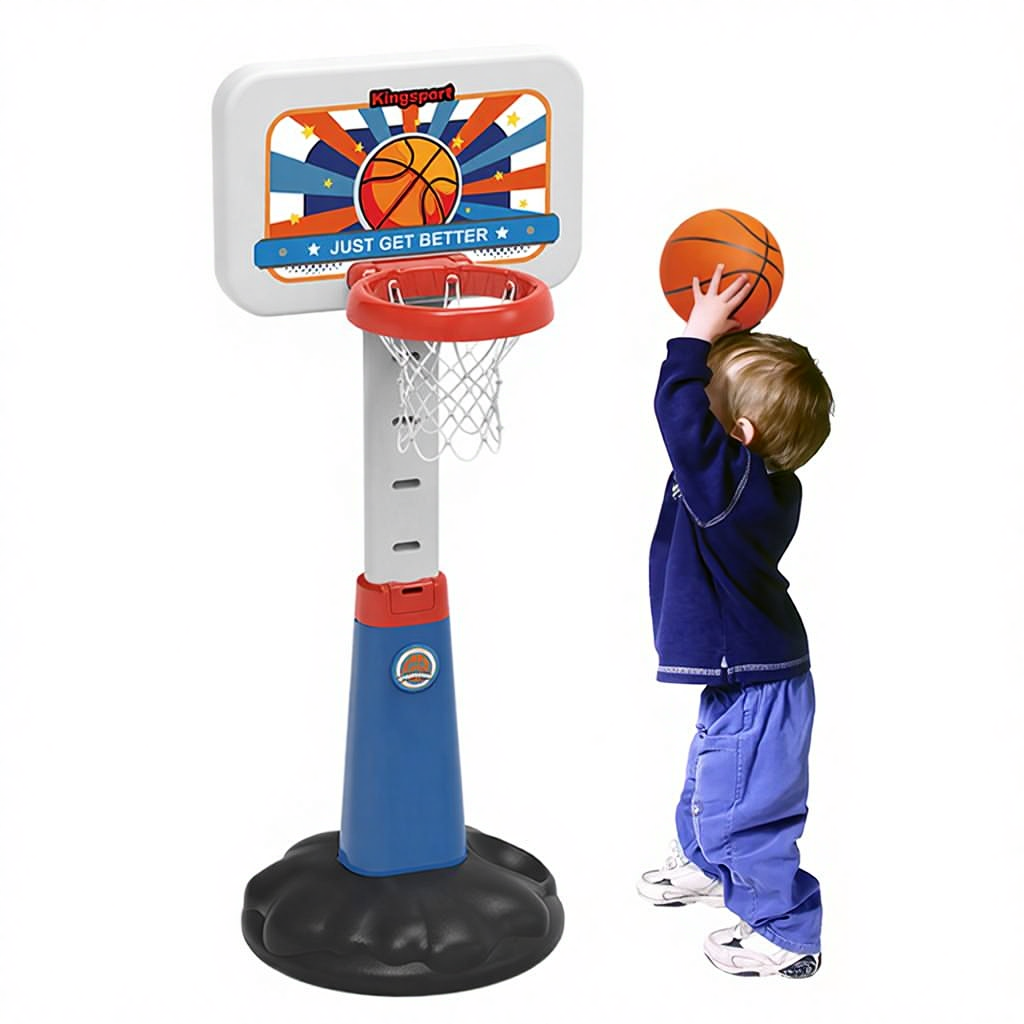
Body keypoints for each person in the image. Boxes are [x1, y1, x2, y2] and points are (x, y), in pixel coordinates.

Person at [638, 264, 833, 978]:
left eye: (710, 398)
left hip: (760, 682)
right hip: (750, 672)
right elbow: (700, 426)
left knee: (745, 807)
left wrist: (692, 339)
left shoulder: (734, 489)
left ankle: (785, 932)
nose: (696, 401)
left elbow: (678, 416)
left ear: (739, 435)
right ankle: (705, 865)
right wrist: (729, 345)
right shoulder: (751, 480)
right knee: (712, 778)